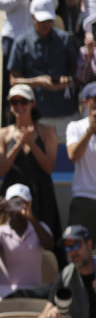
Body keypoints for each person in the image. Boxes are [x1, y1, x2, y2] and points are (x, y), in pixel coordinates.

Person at [0, 83, 62, 249]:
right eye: (14, 102)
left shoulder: (47, 131)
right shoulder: (3, 134)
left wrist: (31, 143)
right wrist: (18, 145)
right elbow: (2, 169)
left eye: (23, 101)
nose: (19, 106)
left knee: (46, 243)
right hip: (12, 195)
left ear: (32, 103)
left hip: (41, 195)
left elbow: (49, 167)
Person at [37, 225, 96, 318]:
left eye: (76, 245)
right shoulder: (65, 276)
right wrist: (51, 315)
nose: (73, 252)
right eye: (68, 248)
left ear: (89, 244)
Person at [7, 0, 78, 122]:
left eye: (48, 20)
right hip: (36, 117)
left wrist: (67, 81)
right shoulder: (21, 42)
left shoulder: (65, 39)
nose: (45, 24)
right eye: (41, 20)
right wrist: (39, 82)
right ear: (32, 16)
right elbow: (13, 80)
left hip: (66, 112)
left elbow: (77, 73)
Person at [0, 183, 53, 305]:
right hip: (4, 291)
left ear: (29, 204)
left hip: (33, 291)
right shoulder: (0, 231)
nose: (16, 207)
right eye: (12, 203)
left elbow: (49, 246)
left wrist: (31, 218)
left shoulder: (40, 228)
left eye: (21, 203)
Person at [66, 83, 96, 239]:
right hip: (83, 199)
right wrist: (90, 132)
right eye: (95, 99)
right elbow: (73, 156)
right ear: (86, 102)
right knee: (79, 251)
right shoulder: (75, 127)